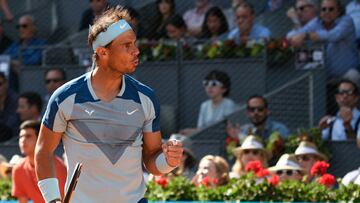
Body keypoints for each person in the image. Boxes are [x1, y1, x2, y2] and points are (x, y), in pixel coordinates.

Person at [34, 6, 183, 203]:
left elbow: (151, 160)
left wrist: (168, 161)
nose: (136, 51)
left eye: (135, 44)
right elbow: (43, 151)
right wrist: (52, 200)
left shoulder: (146, 97)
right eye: (127, 45)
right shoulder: (64, 98)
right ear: (103, 52)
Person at [288, 0, 360, 80]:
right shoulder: (317, 21)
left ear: (339, 11)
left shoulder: (346, 20)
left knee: (354, 75)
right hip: (325, 79)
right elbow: (293, 35)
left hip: (346, 75)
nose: (327, 12)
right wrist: (296, 36)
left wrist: (307, 35)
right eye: (324, 9)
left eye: (331, 9)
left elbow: (333, 35)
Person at [12, 120, 67, 203]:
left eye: (28, 136)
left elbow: (64, 200)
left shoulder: (58, 166)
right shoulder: (18, 170)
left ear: (39, 139)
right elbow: (22, 201)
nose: (22, 140)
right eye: (21, 137)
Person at [0, 72, 19, 142]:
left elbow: (11, 124)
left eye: (0, 84)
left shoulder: (15, 100)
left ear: (6, 84)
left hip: (12, 138)